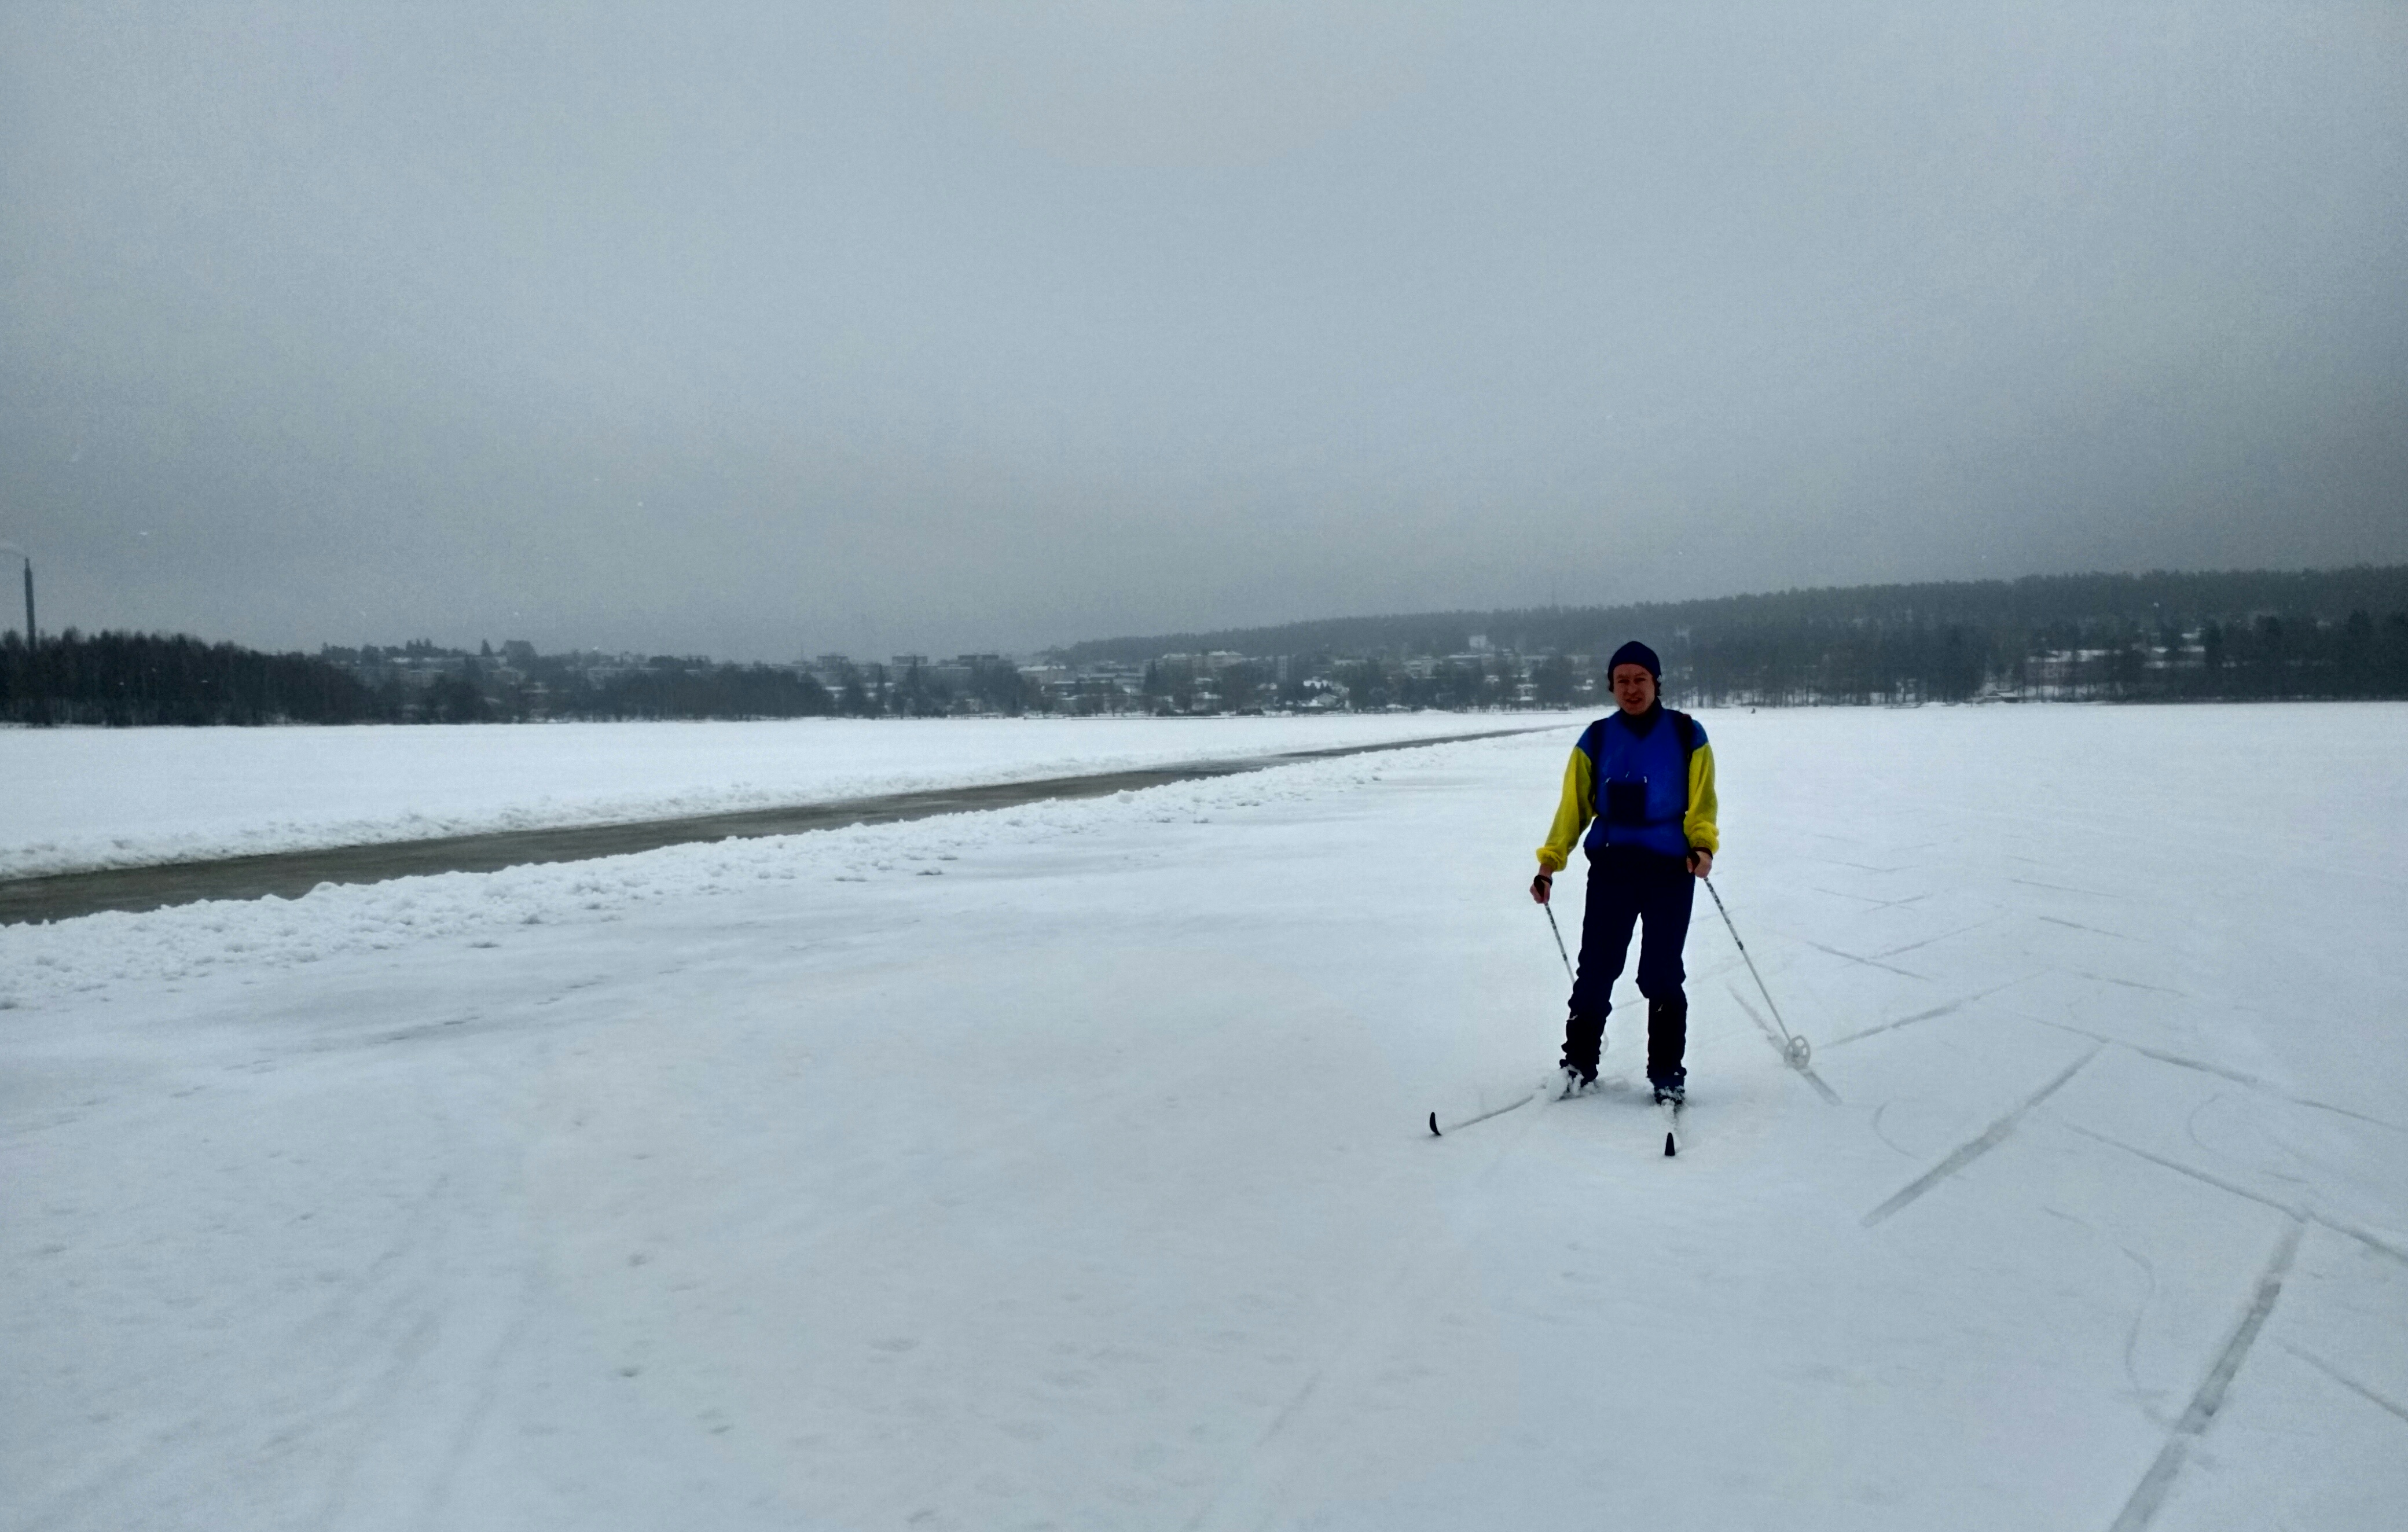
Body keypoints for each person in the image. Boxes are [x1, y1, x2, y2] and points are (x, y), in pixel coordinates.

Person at [1529, 640, 1718, 1104]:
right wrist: (1549, 864)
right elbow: (1572, 810)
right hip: (1612, 869)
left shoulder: (1687, 734)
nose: (1632, 689)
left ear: (1656, 682)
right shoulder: (1596, 739)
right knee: (1596, 968)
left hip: (1670, 870)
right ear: (1611, 686)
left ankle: (1667, 1073)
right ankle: (1578, 1063)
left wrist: (1702, 847)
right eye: (1622, 681)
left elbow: (1702, 803)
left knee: (1662, 972)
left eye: (1640, 680)